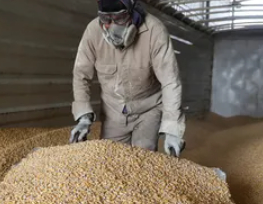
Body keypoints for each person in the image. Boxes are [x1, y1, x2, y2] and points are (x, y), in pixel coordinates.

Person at [69, 0, 186, 157]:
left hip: (148, 109)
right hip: (113, 111)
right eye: (105, 18)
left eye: (119, 18)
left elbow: (170, 81)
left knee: (143, 158)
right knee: (111, 161)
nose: (111, 25)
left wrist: (172, 130)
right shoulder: (92, 32)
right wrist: (84, 117)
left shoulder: (154, 30)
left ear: (133, 12)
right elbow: (81, 74)